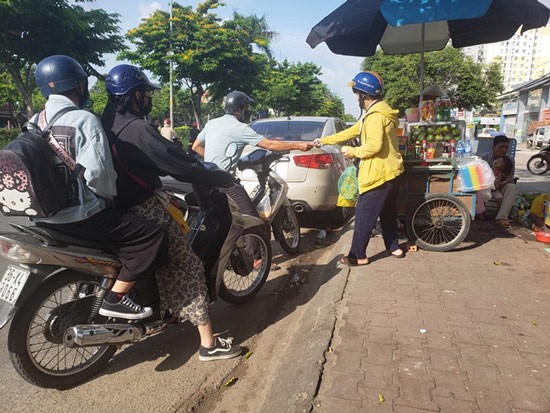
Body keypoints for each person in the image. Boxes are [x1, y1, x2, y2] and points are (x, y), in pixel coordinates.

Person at [101, 64, 241, 361]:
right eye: (146, 93)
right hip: (143, 207)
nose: (149, 98)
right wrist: (218, 177)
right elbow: (177, 163)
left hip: (111, 207)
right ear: (135, 95)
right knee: (188, 265)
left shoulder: (105, 121)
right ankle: (208, 345)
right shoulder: (138, 129)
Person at [31, 55, 168, 320]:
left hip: (45, 215)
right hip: (80, 215)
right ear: (79, 85)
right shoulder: (84, 120)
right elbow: (100, 176)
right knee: (152, 237)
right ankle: (116, 299)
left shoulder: (36, 121)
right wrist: (109, 202)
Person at [313, 71, 405, 265]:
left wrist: (351, 151)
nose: (355, 96)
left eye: (356, 93)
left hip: (378, 174)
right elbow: (351, 131)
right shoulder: (381, 111)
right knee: (388, 211)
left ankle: (358, 256)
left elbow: (373, 146)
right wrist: (323, 141)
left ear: (364, 94)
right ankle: (394, 247)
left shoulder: (374, 117)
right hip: (393, 171)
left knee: (364, 215)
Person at [191, 90, 313, 227]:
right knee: (251, 220)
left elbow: (195, 147)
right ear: (238, 110)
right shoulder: (240, 128)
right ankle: (254, 248)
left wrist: (216, 161)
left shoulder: (211, 123)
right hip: (223, 182)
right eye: (246, 108)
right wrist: (299, 145)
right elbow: (270, 144)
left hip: (205, 180)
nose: (247, 111)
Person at [479, 134, 518, 228]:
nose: (504, 150)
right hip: (485, 185)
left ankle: (502, 217)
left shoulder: (510, 160)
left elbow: (510, 178)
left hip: (501, 184)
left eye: (506, 147)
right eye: (501, 147)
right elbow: (479, 177)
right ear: (493, 147)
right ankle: (480, 212)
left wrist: (499, 184)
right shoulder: (484, 158)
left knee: (512, 188)